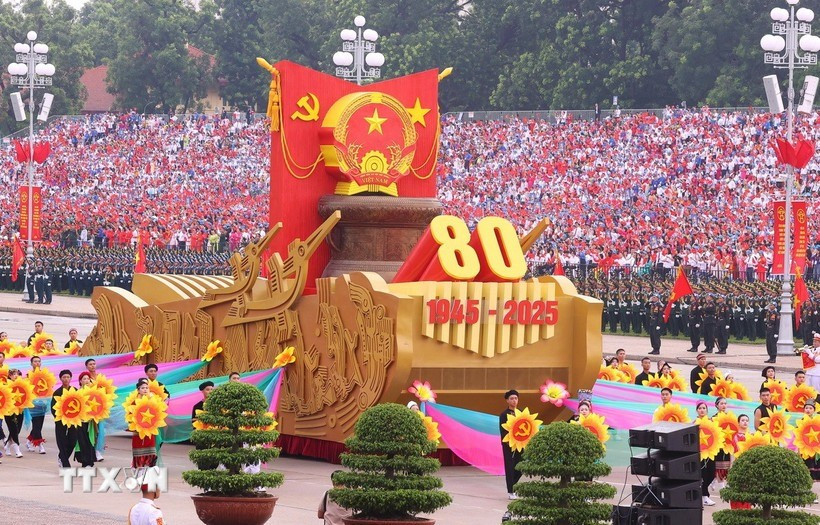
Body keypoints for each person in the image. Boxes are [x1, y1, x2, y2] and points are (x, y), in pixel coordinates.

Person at [52, 369, 77, 468]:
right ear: (60, 379)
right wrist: (59, 418)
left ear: (70, 378)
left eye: (68, 377)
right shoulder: (57, 392)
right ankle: (65, 464)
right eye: (64, 377)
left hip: (73, 420)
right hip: (61, 420)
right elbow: (53, 408)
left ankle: (61, 457)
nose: (66, 379)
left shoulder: (75, 390)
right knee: (62, 441)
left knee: (73, 440)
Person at [500, 389, 523, 500]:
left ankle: (513, 484)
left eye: (516, 398)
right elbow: (503, 431)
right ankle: (511, 491)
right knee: (509, 466)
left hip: (521, 443)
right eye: (512, 398)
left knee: (521, 465)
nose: (514, 400)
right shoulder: (504, 414)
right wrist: (509, 442)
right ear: (507, 401)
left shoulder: (521, 413)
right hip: (509, 444)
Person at [131, 379, 158, 468]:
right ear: (138, 390)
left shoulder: (152, 401)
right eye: (142, 388)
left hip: (149, 429)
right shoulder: (134, 402)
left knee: (150, 449)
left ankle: (149, 467)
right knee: (138, 449)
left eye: (147, 388)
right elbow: (130, 415)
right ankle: (139, 467)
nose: (145, 389)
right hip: (138, 429)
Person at [25, 356, 48, 454]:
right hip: (32, 404)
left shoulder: (45, 375)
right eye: (35, 361)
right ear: (31, 363)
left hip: (42, 403)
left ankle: (29, 441)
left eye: (39, 361)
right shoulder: (28, 376)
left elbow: (48, 388)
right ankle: (40, 444)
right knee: (36, 424)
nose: (37, 363)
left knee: (39, 425)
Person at [695, 401, 716, 506]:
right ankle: (704, 496)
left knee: (712, 473)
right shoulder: (694, 423)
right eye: (700, 408)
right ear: (697, 411)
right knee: (703, 474)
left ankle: (702, 493)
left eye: (704, 408)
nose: (702, 410)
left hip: (710, 451)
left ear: (707, 410)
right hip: (700, 452)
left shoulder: (711, 422)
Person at [74, 371, 96, 468]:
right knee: (81, 441)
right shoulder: (77, 393)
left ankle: (90, 461)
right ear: (80, 381)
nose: (86, 380)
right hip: (80, 421)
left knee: (90, 440)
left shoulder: (94, 392)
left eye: (88, 379)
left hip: (91, 421)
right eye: (84, 379)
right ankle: (84, 461)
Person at [3, 369, 24, 457]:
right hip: (9, 411)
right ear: (10, 376)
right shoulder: (5, 385)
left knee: (17, 429)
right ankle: (17, 450)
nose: (16, 376)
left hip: (20, 410)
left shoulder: (22, 385)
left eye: (17, 374)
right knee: (13, 429)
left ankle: (7, 445)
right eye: (14, 374)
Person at [713, 397, 731, 488]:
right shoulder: (714, 418)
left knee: (727, 464)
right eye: (721, 404)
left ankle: (716, 481)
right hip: (718, 444)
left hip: (727, 444)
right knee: (719, 464)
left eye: (725, 403)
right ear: (717, 405)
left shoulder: (730, 417)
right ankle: (720, 484)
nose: (724, 405)